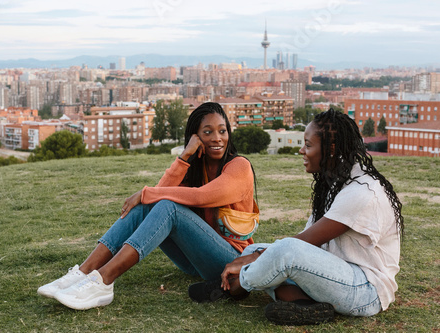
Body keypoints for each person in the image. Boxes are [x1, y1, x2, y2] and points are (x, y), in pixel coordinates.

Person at [189, 109, 404, 326]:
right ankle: (307, 306)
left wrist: (250, 267)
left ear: (331, 150)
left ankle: (233, 287)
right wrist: (256, 257)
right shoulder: (337, 182)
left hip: (365, 291)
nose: (302, 150)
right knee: (254, 250)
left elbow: (302, 244)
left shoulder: (361, 193)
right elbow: (306, 246)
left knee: (282, 252)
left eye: (308, 145)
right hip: (337, 274)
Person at [37, 102, 257, 310]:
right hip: (195, 262)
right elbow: (156, 199)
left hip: (230, 262)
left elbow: (201, 197)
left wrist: (145, 193)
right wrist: (185, 156)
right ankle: (83, 272)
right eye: (207, 132)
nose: (217, 138)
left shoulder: (239, 167)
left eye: (222, 131)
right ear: (195, 137)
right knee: (149, 206)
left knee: (165, 205)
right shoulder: (196, 169)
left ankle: (103, 281)